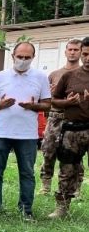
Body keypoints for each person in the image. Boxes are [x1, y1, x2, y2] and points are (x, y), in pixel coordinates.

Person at [0, 42, 51, 220]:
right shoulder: (0, 76)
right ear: (13, 56)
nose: (22, 60)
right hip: (0, 132)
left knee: (27, 172)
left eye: (27, 58)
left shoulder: (40, 77)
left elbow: (47, 104)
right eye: (19, 56)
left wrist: (33, 106)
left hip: (27, 134)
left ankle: (26, 209)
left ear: (33, 58)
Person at [47, 37, 89, 218]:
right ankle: (62, 207)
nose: (88, 58)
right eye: (86, 54)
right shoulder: (69, 76)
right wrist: (68, 102)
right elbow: (54, 100)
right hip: (72, 130)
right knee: (67, 169)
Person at [40, 38, 83, 196]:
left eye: (76, 50)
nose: (72, 52)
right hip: (55, 117)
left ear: (81, 52)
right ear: (65, 52)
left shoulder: (84, 75)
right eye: (70, 49)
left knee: (75, 153)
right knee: (48, 150)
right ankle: (45, 185)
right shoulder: (54, 74)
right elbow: (45, 98)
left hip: (75, 119)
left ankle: (76, 187)